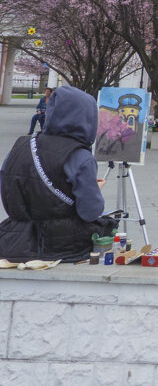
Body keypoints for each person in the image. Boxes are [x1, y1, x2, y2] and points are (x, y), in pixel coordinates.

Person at [0, 86, 111, 263]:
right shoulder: (80, 156)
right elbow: (90, 212)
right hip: (64, 244)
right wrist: (94, 189)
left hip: (14, 239)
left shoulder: (21, 144)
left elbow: (8, 187)